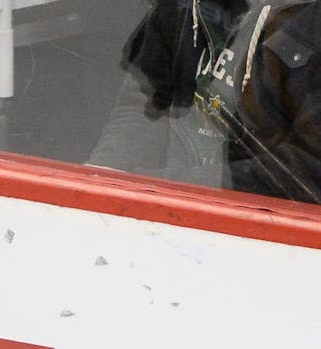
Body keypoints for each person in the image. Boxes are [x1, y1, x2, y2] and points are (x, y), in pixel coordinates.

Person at [88, 1, 321, 203]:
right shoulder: (180, 7)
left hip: (267, 229)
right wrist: (104, 174)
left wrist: (175, 188)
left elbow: (309, 168)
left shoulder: (309, 16)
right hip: (162, 209)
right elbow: (143, 105)